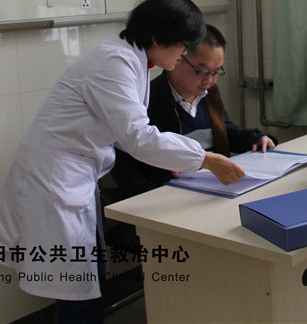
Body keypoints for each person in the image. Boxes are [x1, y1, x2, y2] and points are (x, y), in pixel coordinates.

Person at [0, 0, 245, 324]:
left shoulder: (134, 61)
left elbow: (126, 134)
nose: (184, 54)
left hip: (72, 181)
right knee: (76, 290)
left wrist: (175, 159)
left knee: (85, 281)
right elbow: (138, 137)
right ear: (157, 38)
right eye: (183, 46)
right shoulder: (115, 62)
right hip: (53, 182)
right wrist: (206, 160)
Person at [101, 24, 277, 244]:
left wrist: (255, 138)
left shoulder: (208, 94)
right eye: (202, 71)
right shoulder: (146, 100)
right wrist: (159, 197)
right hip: (167, 205)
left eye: (216, 72)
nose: (209, 80)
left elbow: (224, 130)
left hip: (211, 196)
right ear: (177, 59)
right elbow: (125, 164)